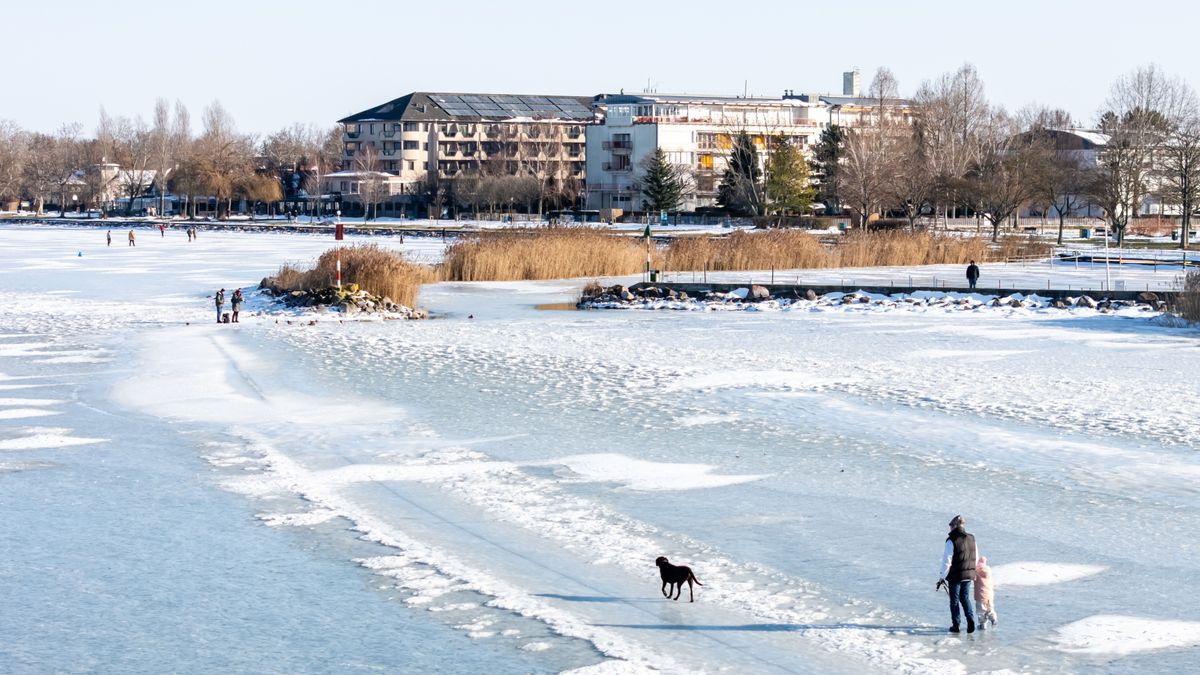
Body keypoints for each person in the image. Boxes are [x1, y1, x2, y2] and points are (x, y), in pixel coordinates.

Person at [938, 515, 979, 634]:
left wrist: (942, 576)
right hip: (969, 574)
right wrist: (973, 571)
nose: (949, 528)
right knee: (965, 598)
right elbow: (976, 557)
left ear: (955, 525)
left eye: (950, 525)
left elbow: (947, 560)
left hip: (955, 575)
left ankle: (956, 625)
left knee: (954, 600)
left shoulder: (951, 540)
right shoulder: (972, 538)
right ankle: (970, 619)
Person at [974, 556, 998, 629]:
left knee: (981, 611)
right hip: (989, 595)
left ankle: (983, 624)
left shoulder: (977, 572)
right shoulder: (988, 571)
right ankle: (993, 619)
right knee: (990, 609)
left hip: (980, 596)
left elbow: (972, 578)